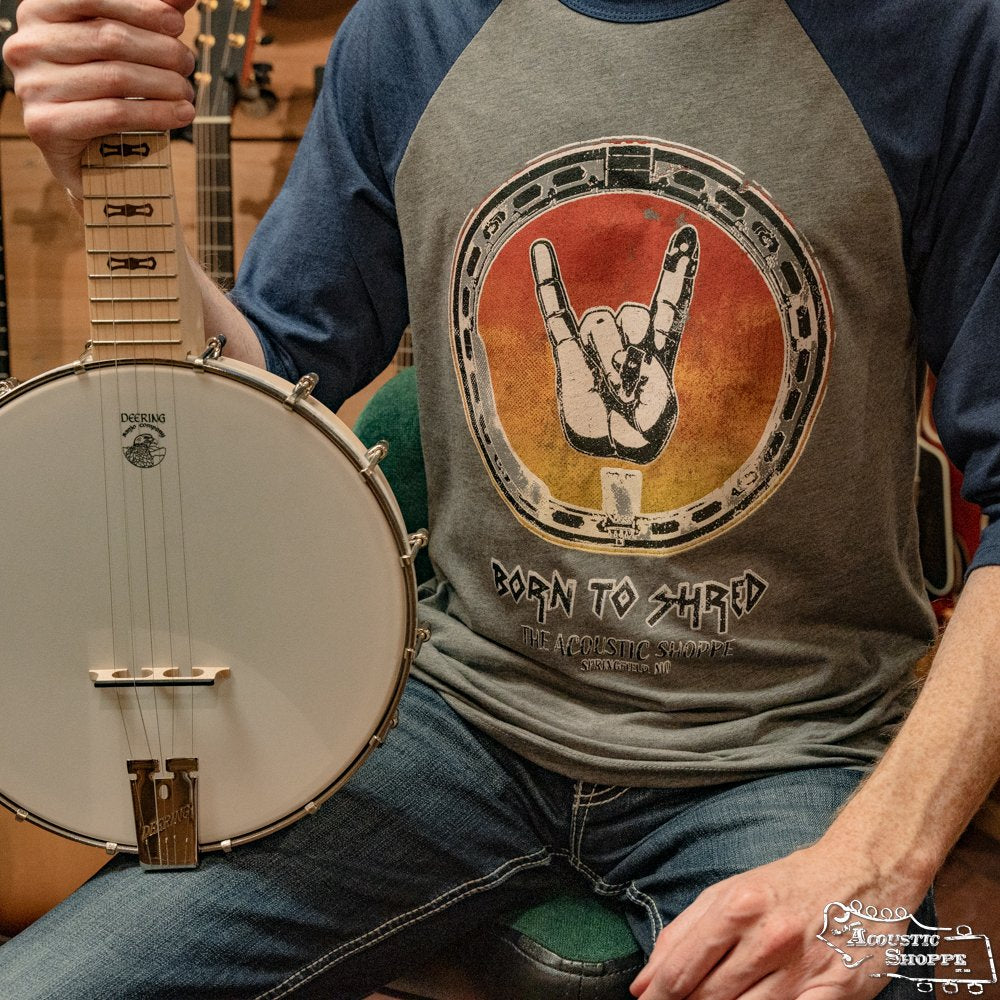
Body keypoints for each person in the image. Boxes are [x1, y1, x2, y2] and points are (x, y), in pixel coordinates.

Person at [2, 0, 999, 998]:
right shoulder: (408, 28)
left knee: (911, 977)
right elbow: (258, 392)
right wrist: (105, 180)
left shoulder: (945, 36)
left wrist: (882, 859)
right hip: (452, 721)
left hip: (795, 751)